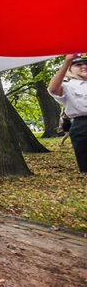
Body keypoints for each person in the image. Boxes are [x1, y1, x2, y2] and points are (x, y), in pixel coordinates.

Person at [48, 53, 87, 195]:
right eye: (78, 64)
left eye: (86, 63)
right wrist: (66, 62)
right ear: (70, 69)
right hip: (83, 126)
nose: (84, 66)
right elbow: (52, 89)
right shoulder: (67, 85)